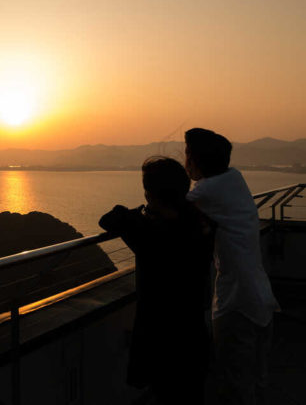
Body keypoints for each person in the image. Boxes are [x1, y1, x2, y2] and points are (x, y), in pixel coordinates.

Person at [99, 156, 213, 404]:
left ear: (150, 193)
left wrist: (141, 212)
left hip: (161, 342)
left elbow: (109, 220)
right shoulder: (199, 223)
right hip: (193, 336)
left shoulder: (148, 232)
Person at [184, 128, 278, 405]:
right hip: (260, 295)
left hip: (237, 302)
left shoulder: (207, 190)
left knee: (233, 384)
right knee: (256, 380)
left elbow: (168, 207)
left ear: (197, 159)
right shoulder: (234, 178)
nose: (185, 160)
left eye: (187, 153)